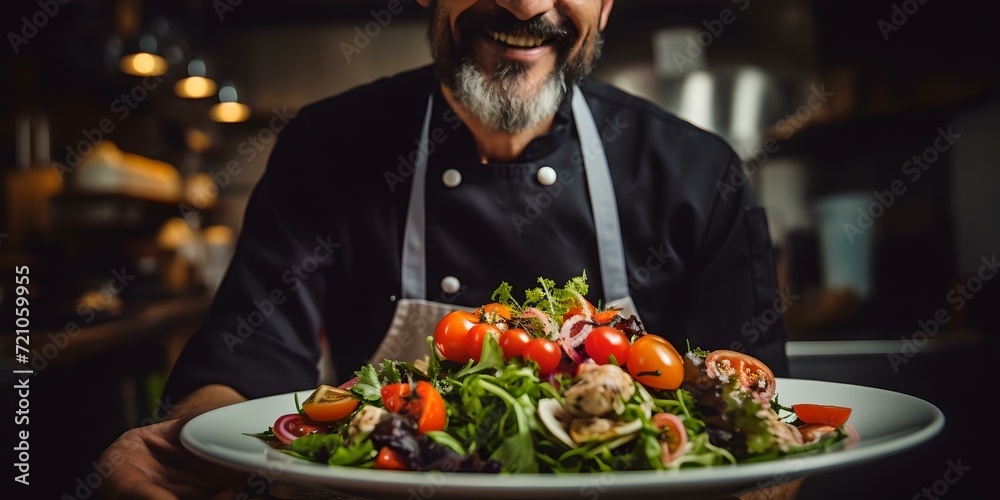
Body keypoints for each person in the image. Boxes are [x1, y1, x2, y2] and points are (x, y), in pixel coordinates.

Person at [97, 0, 792, 498]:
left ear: (607, 5)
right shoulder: (328, 149)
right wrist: (189, 455)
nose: (524, 5)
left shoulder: (698, 173)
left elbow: (767, 438)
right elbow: (239, 381)